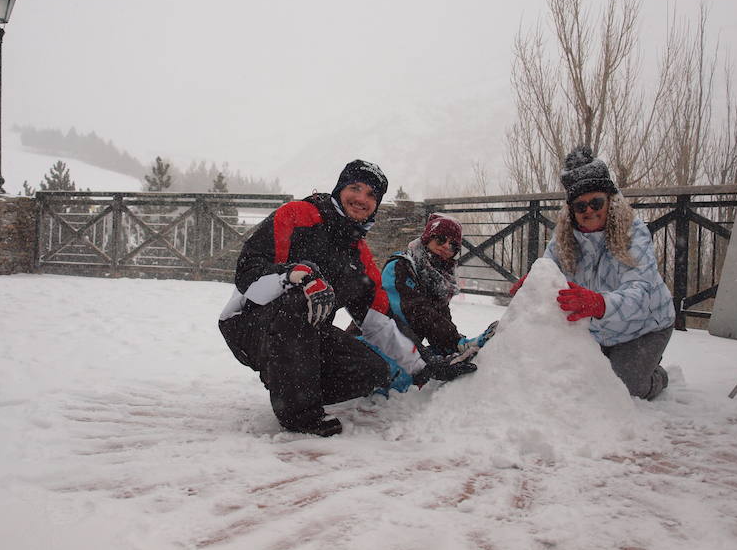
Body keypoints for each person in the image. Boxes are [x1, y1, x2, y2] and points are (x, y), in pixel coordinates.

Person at [218, 160, 477, 437]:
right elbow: (247, 276)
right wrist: (293, 275)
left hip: (304, 334)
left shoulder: (359, 257)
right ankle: (299, 414)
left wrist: (425, 367)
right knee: (301, 297)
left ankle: (289, 383)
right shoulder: (297, 215)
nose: (362, 199)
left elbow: (379, 322)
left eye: (371, 195)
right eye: (356, 188)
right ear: (340, 188)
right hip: (248, 324)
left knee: (372, 370)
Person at [510, 146, 675, 400]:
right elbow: (548, 270)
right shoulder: (565, 237)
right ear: (572, 210)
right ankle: (614, 357)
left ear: (610, 201)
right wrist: (534, 284)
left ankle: (657, 375)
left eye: (596, 202)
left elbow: (641, 293)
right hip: (597, 326)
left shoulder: (633, 233)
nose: (588, 210)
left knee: (623, 387)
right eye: (580, 205)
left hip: (645, 326)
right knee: (575, 375)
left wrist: (600, 303)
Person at [381, 213, 496, 358]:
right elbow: (415, 312)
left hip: (402, 349)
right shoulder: (400, 266)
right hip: (371, 348)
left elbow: (440, 317)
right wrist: (455, 343)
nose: (447, 246)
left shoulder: (437, 279)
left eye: (453, 245)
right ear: (427, 239)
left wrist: (453, 345)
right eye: (441, 239)